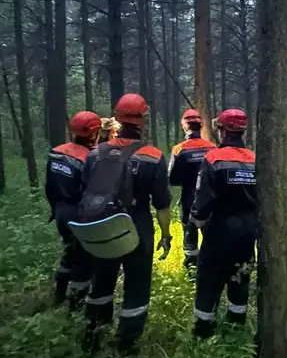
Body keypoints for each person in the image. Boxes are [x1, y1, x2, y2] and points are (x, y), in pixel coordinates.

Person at [80, 94, 173, 356]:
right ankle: (127, 344)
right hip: (138, 226)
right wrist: (166, 236)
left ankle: (93, 338)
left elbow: (84, 190)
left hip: (100, 225)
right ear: (143, 120)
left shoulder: (95, 153)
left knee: (101, 281)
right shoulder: (153, 156)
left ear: (117, 118)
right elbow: (162, 204)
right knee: (137, 285)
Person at [189, 109, 258, 338]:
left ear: (223, 130)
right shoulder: (256, 159)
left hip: (219, 233)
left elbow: (203, 198)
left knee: (208, 281)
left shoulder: (213, 158)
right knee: (240, 280)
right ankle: (235, 329)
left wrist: (197, 222)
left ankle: (203, 332)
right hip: (248, 234)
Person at [45, 111, 102, 309]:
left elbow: (48, 186)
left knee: (70, 250)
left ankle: (59, 292)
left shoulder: (56, 152)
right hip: (78, 214)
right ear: (94, 133)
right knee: (84, 260)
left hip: (59, 210)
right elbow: (92, 191)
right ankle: (75, 305)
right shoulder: (88, 158)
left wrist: (54, 209)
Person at [168, 109, 216, 269]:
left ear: (184, 126)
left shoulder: (179, 149)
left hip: (189, 200)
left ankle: (191, 271)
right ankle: (211, 269)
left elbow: (172, 179)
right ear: (200, 126)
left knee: (190, 239)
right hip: (211, 202)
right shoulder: (212, 148)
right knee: (211, 237)